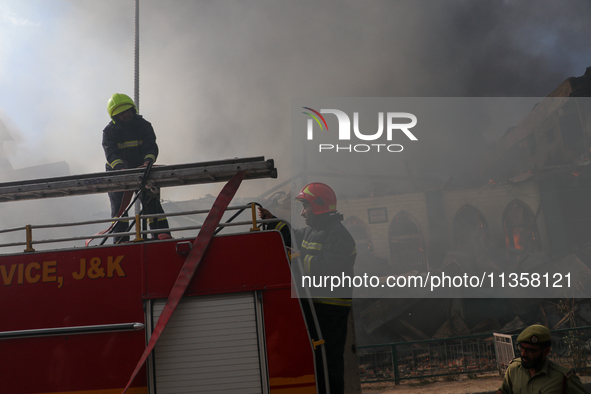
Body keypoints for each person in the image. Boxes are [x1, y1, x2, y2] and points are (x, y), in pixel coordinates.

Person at [259, 182, 356, 394]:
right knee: (315, 363)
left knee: (328, 364)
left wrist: (293, 255)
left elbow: (322, 269)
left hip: (330, 311)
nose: (302, 213)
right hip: (317, 307)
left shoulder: (338, 235)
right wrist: (274, 221)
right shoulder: (314, 231)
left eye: (305, 207)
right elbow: (293, 236)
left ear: (318, 206)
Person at [102, 93, 171, 243]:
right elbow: (111, 153)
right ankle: (121, 240)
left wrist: (147, 162)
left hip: (142, 170)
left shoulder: (144, 126)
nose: (126, 115)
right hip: (117, 173)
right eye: (122, 113)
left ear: (133, 110)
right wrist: (120, 169)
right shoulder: (109, 132)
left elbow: (151, 148)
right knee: (119, 208)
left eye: (128, 111)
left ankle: (160, 233)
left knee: (151, 201)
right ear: (115, 116)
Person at [496, 324, 589, 394]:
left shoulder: (563, 378)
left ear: (546, 351)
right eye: (522, 347)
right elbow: (503, 391)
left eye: (530, 350)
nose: (523, 353)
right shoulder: (514, 369)